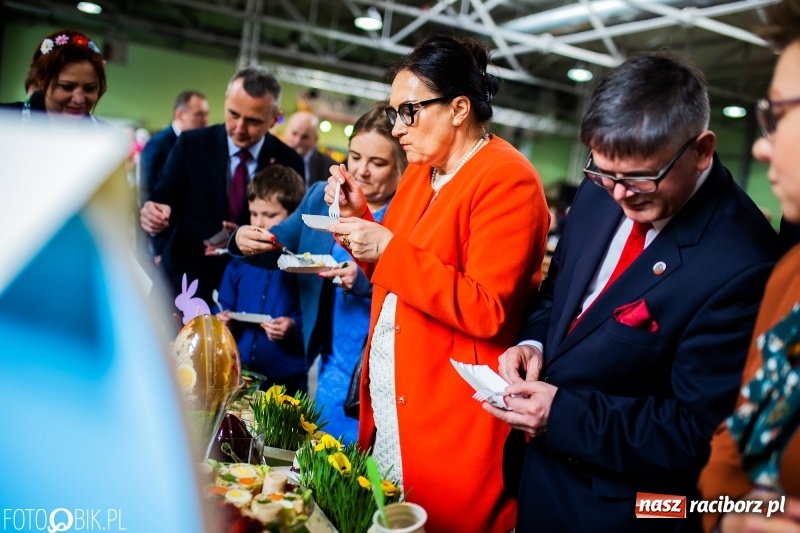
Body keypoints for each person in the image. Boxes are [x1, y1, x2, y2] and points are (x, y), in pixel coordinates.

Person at [236, 35, 551, 532]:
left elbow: (489, 307)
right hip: (394, 408)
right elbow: (395, 275)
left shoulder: (507, 179)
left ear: (459, 108)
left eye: (409, 112)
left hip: (448, 415)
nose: (399, 128)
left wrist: (386, 248)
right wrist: (361, 217)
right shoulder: (423, 174)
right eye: (394, 114)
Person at [483, 51, 782, 533]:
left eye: (640, 178)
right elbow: (558, 297)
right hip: (541, 483)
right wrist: (533, 342)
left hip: (625, 510)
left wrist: (562, 414)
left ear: (702, 150)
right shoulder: (604, 186)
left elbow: (698, 433)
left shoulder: (744, 262)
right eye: (603, 173)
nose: (618, 195)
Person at [229, 101, 407, 444]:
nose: (362, 171)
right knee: (321, 451)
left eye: (378, 162)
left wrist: (365, 282)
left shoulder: (407, 215)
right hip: (329, 357)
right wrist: (242, 239)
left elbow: (417, 283)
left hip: (379, 359)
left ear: (402, 166)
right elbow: (280, 245)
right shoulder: (319, 198)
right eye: (355, 157)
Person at [698, 1, 800, 531]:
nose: (762, 146)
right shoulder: (789, 275)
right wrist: (732, 517)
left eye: (779, 116)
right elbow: (733, 443)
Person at [139, 66, 304, 307]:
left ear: (274, 118)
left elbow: (293, 230)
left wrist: (245, 238)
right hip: (183, 284)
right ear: (226, 102)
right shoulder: (191, 144)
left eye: (253, 121)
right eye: (233, 114)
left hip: (249, 295)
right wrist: (153, 213)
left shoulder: (289, 161)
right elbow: (162, 199)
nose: (239, 128)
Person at [213, 165, 307, 394]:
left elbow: (315, 315)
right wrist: (223, 319)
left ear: (293, 216)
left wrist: (292, 325)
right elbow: (224, 303)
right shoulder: (239, 260)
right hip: (242, 371)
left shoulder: (303, 262)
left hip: (288, 376)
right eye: (254, 213)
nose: (259, 223)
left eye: (270, 215)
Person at [0, 29, 106, 123]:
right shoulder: (5, 120)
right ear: (41, 80)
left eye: (89, 88)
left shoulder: (104, 134)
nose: (79, 100)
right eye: (67, 87)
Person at [138, 90, 210, 208]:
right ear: (179, 115)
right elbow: (148, 193)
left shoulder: (200, 145)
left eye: (207, 114)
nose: (205, 120)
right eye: (199, 114)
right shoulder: (156, 145)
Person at [283, 110, 337, 187]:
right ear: (286, 131)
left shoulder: (329, 167)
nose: (297, 141)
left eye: (305, 137)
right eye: (294, 133)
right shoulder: (271, 158)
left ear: (315, 139)